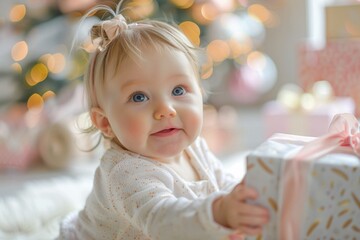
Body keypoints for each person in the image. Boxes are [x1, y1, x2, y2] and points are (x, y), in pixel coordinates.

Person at [58, 2, 269, 239]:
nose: (165, 110)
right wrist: (219, 213)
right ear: (105, 123)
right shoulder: (124, 174)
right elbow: (165, 221)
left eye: (178, 90)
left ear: (200, 94)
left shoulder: (193, 147)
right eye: (139, 97)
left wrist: (239, 200)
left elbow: (221, 183)